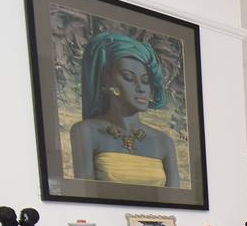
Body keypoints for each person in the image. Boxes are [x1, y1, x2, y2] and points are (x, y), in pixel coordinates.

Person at [70, 32, 179, 188]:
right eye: (128, 77)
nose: (141, 88)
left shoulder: (163, 141)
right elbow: (85, 194)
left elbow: (175, 197)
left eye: (145, 81)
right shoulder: (86, 131)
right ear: (107, 79)